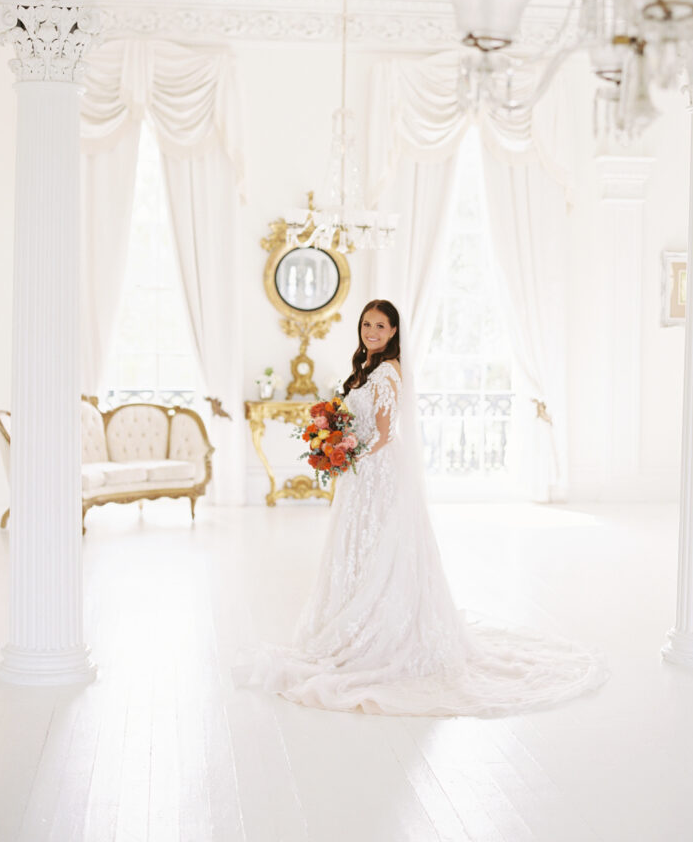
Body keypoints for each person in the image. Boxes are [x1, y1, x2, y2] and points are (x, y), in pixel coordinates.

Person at [233, 299, 607, 716]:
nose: (371, 331)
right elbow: (355, 421)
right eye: (366, 324)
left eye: (380, 326)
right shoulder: (365, 368)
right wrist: (334, 441)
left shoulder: (389, 372)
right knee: (357, 548)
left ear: (394, 332)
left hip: (377, 473)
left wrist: (347, 452)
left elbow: (385, 433)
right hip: (361, 475)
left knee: (379, 548)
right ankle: (347, 624)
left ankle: (380, 632)